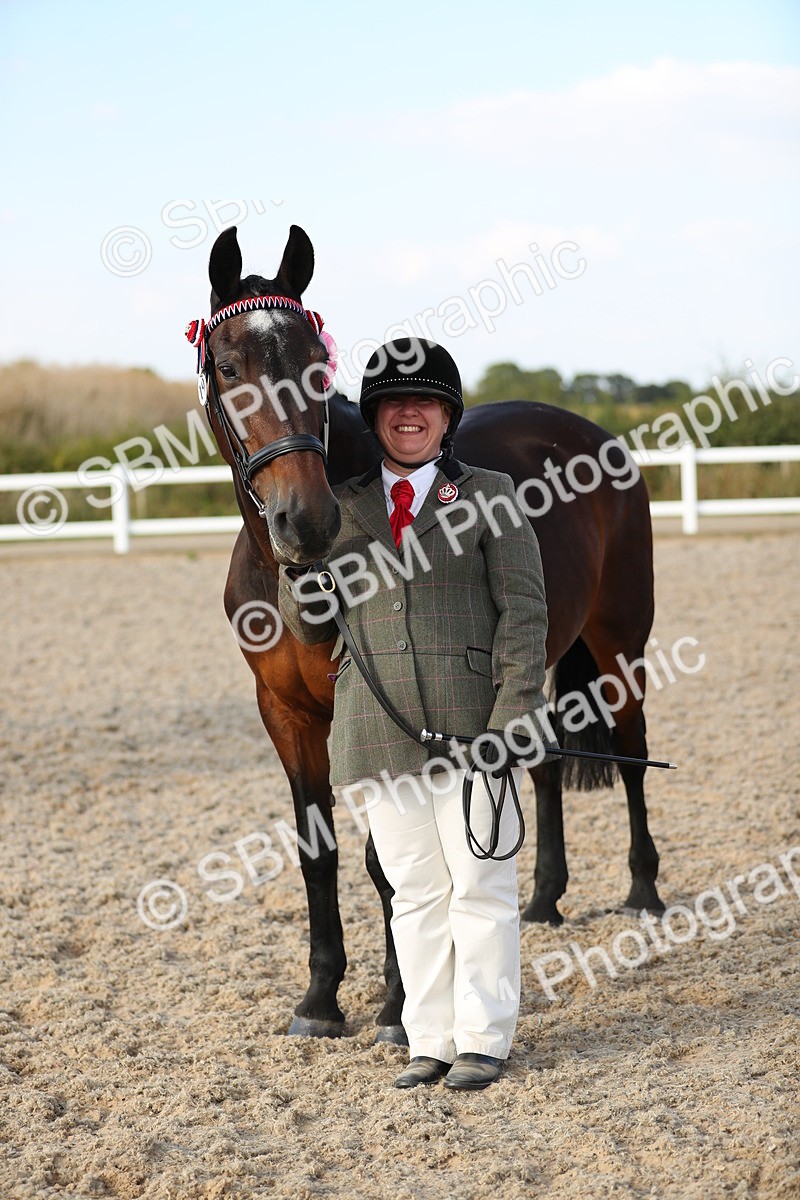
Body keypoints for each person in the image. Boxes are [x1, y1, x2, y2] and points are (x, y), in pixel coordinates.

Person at [278, 338, 549, 1091]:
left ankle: (485, 1039)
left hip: (475, 727)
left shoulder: (491, 495)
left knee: (482, 887)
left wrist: (512, 721)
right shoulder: (342, 508)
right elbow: (312, 628)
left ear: (447, 416)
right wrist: (298, 566)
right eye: (394, 403)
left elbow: (525, 615)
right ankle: (429, 1038)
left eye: (423, 402)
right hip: (377, 728)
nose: (408, 415)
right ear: (375, 415)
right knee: (417, 892)